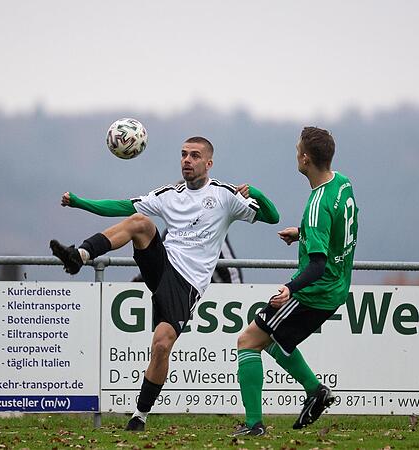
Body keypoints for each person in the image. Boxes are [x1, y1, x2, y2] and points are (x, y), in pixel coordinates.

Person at [49, 136, 279, 431]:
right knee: (141, 222)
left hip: (187, 285)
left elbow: (272, 217)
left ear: (208, 163)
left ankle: (139, 416)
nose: (187, 160)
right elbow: (121, 205)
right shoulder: (170, 194)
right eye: (184, 154)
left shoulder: (224, 196)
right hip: (162, 267)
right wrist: (81, 203)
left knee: (161, 345)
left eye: (195, 156)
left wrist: (256, 191)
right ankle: (79, 255)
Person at [233, 127, 358, 436]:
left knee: (248, 341)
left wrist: (290, 289)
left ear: (304, 158)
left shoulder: (317, 205)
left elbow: (317, 264)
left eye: (296, 150)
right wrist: (302, 234)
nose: (295, 154)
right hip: (337, 285)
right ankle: (316, 392)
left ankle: (254, 426)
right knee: (273, 341)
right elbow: (337, 230)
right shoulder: (342, 183)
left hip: (316, 291)